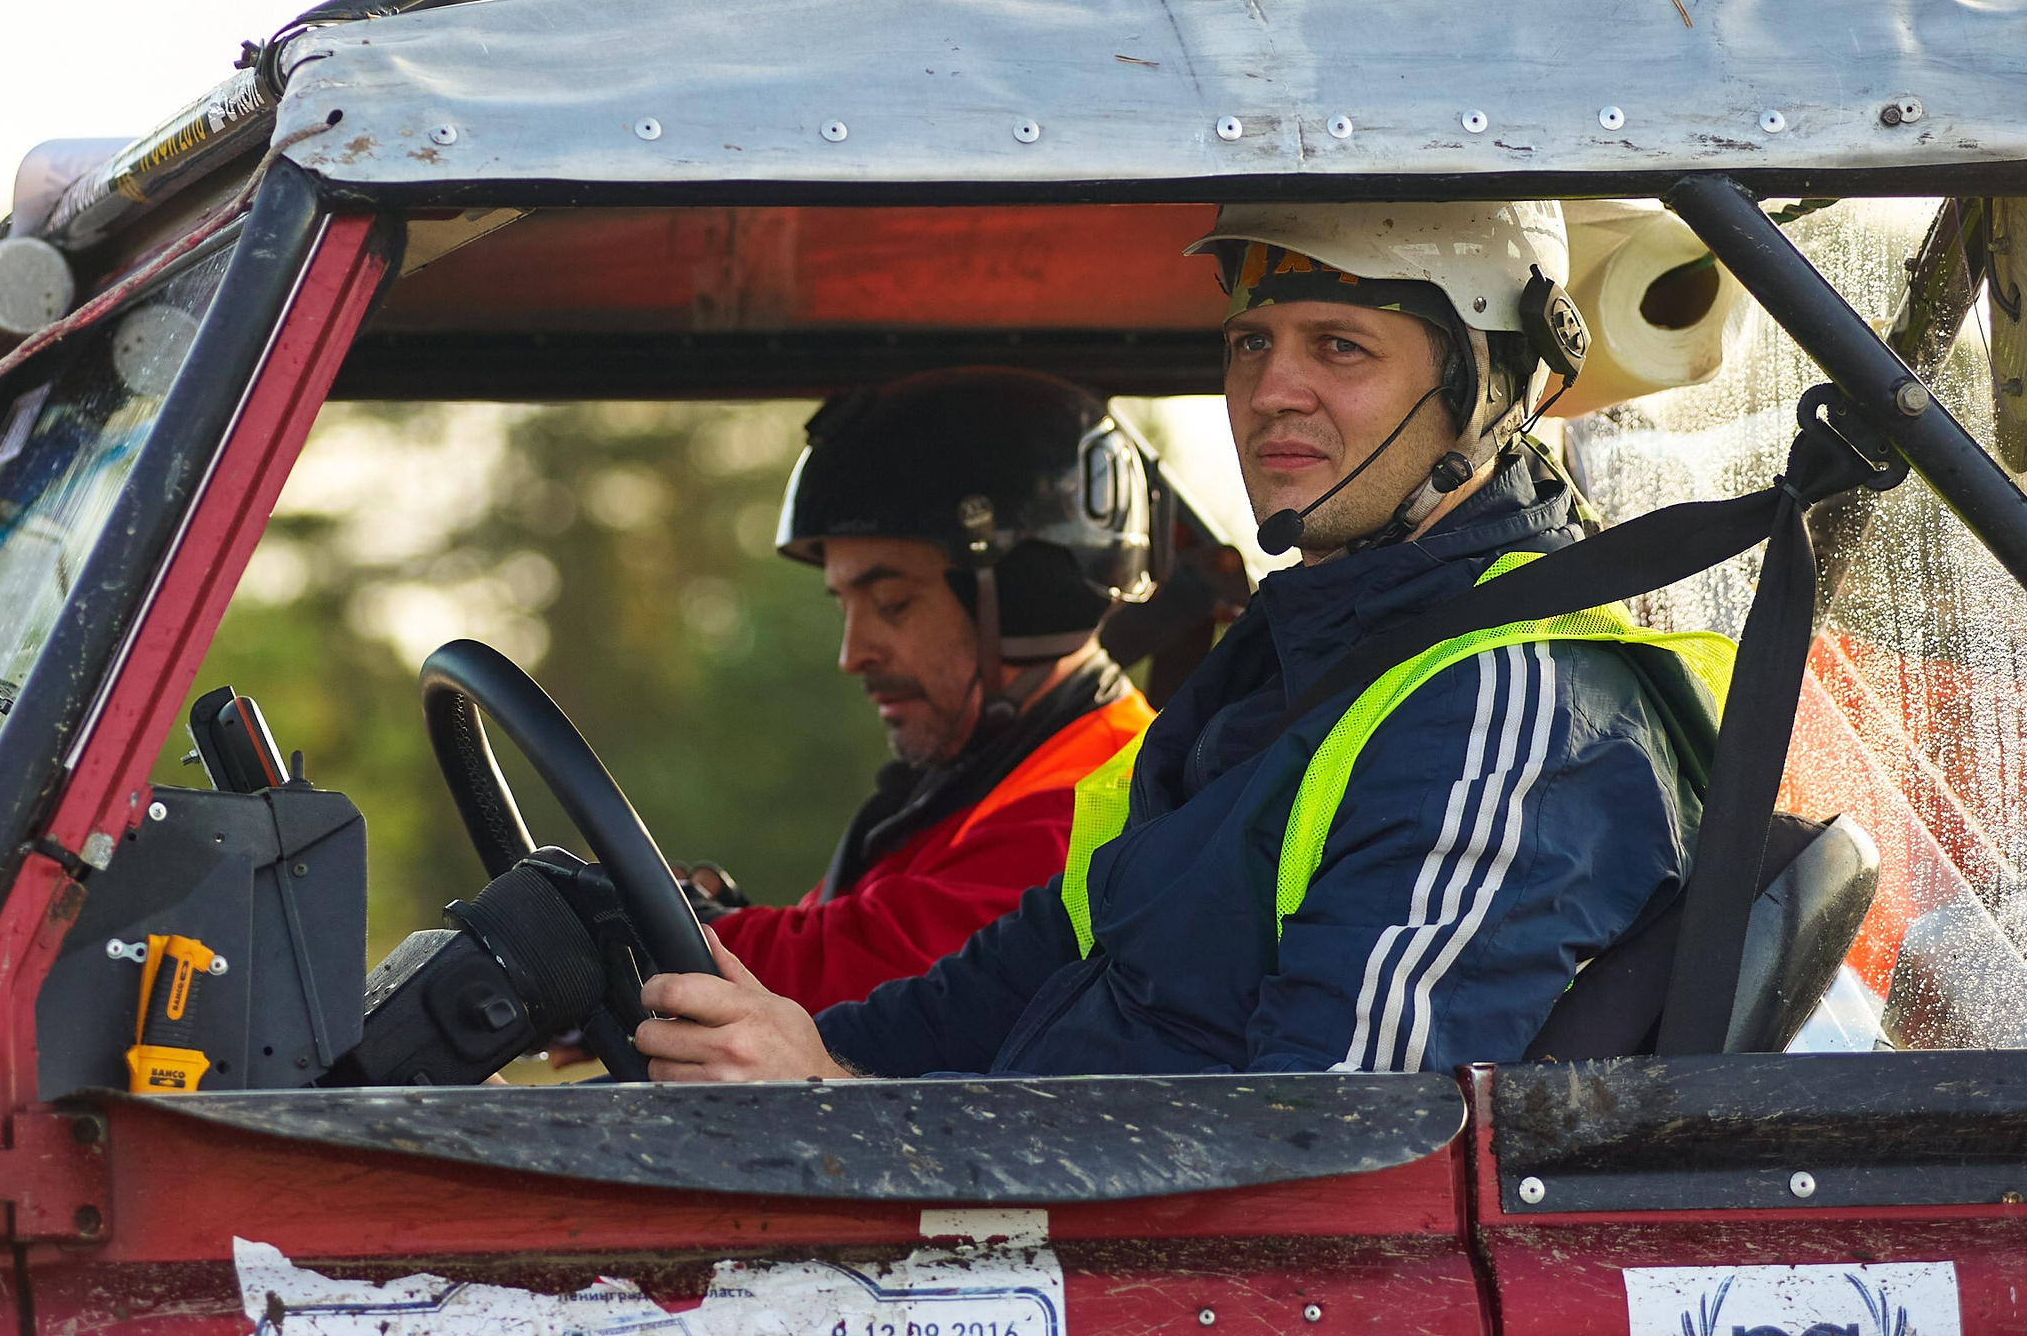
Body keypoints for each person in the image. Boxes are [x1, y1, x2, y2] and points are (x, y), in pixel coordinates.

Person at [634, 199, 1707, 1080]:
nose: (1270, 392)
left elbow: (1339, 1155)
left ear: (1487, 385)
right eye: (1250, 343)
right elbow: (1012, 978)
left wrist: (829, 1107)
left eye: (1340, 345)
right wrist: (795, 1063)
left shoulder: (1504, 706)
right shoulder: (1282, 664)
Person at [696, 368, 1159, 1012]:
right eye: (843, 606)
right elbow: (828, 935)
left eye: (892, 603)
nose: (852, 655)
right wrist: (704, 919)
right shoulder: (970, 781)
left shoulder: (1100, 804)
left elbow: (871, 975)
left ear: (1027, 599)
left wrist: (649, 935)